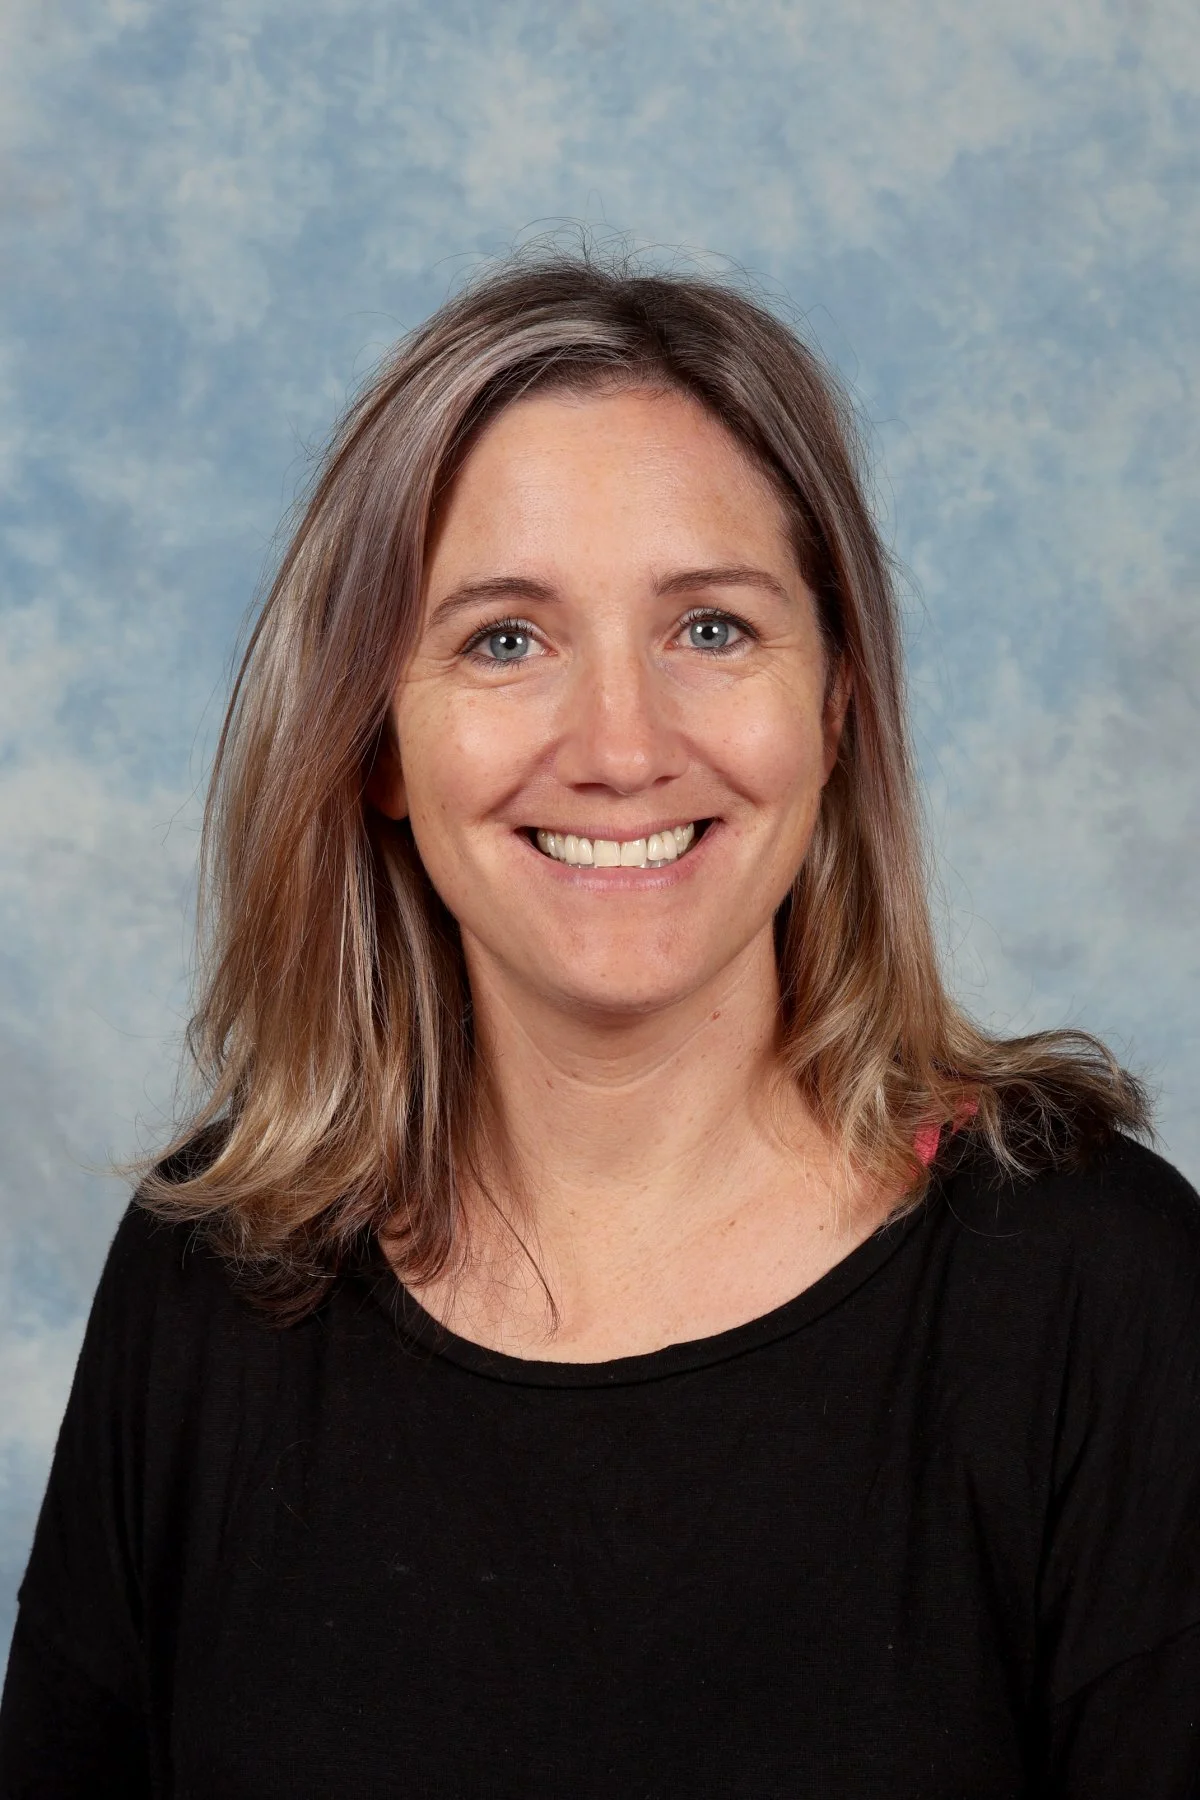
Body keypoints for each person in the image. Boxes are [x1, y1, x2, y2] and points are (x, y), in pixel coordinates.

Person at [1, 253, 1198, 1799]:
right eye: (507, 639)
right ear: (375, 742)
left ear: (834, 706)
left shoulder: (1102, 1296)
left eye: (711, 629)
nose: (621, 747)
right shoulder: (217, 1274)